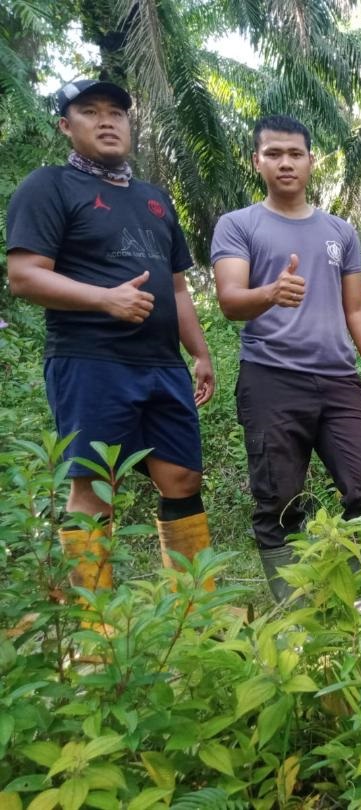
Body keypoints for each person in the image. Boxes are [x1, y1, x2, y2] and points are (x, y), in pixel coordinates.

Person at [6, 79, 216, 596]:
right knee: (96, 486)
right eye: (90, 111)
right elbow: (25, 276)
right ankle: (96, 623)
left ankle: (195, 612)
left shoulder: (154, 199)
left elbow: (177, 288)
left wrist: (201, 351)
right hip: (91, 360)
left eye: (117, 112)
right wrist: (105, 299)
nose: (107, 120)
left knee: (183, 479)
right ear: (66, 125)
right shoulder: (49, 186)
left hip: (162, 364)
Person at [211, 115, 361, 602]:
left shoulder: (339, 231)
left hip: (338, 380)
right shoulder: (238, 225)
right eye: (273, 153)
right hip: (271, 377)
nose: (285, 162)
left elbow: (356, 306)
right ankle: (293, 611)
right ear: (257, 161)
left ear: (312, 161)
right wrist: (270, 292)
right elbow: (229, 300)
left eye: (295, 153)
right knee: (278, 498)